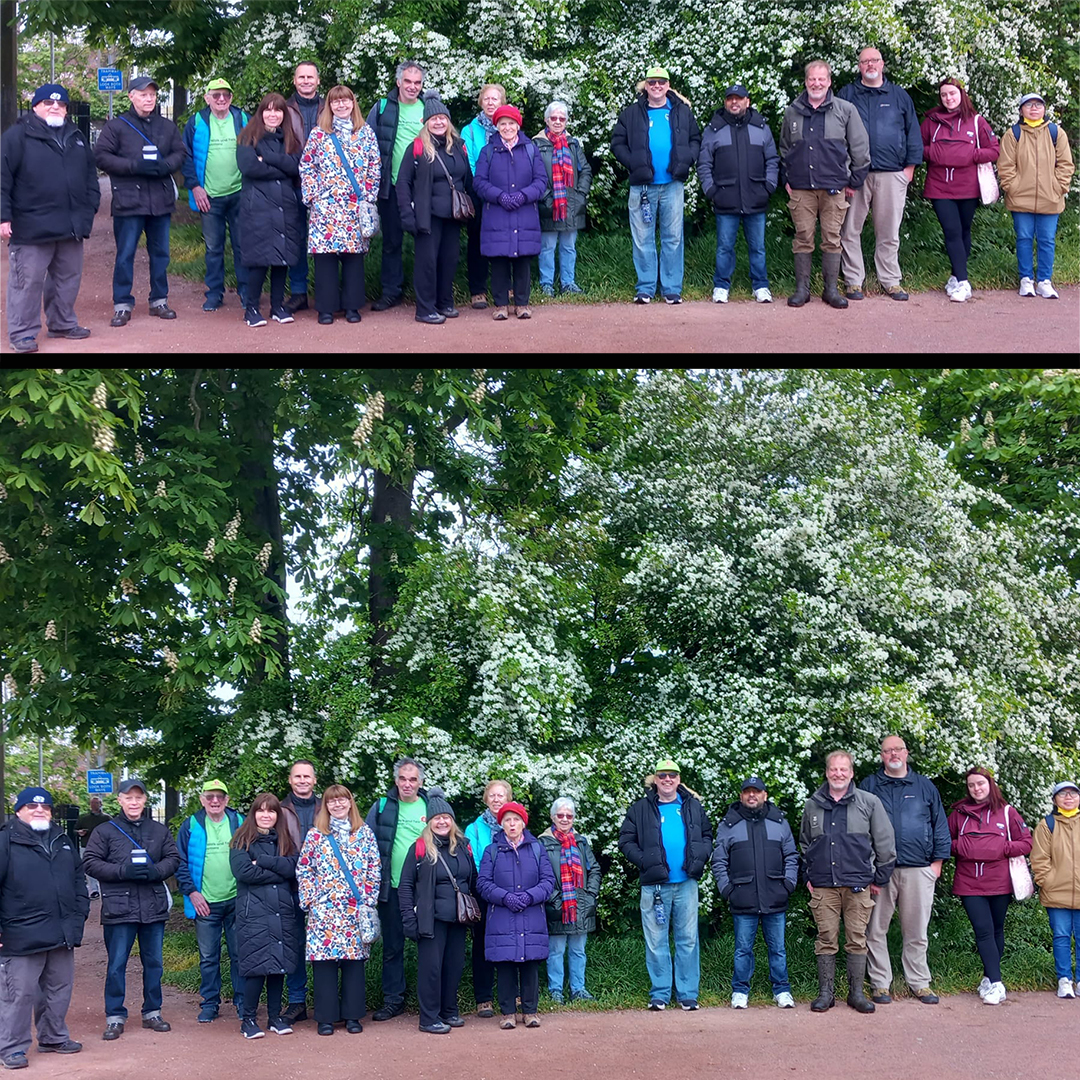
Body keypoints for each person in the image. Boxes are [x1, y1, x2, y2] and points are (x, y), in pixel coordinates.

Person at [0, 83, 99, 354]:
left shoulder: (76, 135)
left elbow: (91, 173)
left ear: (66, 110)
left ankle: (62, 323)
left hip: (71, 225)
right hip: (31, 225)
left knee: (67, 278)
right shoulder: (17, 136)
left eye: (61, 104)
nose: (55, 107)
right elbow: (2, 179)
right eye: (48, 103)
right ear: (35, 106)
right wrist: (3, 216)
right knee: (27, 282)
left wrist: (91, 205)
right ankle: (22, 334)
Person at [82, 777, 180, 1041]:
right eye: (129, 797)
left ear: (145, 800)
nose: (134, 802)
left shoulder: (159, 830)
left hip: (153, 906)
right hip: (119, 908)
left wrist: (155, 871)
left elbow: (173, 859)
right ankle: (115, 1015)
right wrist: (122, 871)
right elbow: (90, 862)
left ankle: (152, 1012)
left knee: (154, 963)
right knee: (116, 964)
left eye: (138, 797)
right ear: (120, 800)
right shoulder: (105, 831)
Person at [799, 750, 895, 1015]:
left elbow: (885, 841)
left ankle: (856, 994)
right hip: (823, 886)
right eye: (833, 769)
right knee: (826, 939)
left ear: (852, 773)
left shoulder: (869, 802)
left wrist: (880, 877)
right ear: (827, 772)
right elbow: (806, 844)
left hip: (858, 884)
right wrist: (809, 875)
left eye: (843, 769)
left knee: (857, 939)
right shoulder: (813, 804)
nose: (838, 774)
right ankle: (825, 995)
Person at [0, 787, 88, 1069]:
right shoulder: (5, 841)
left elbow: (78, 880)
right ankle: (11, 1047)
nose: (40, 811)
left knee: (59, 989)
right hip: (20, 934)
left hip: (61, 932)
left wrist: (79, 914)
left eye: (45, 807)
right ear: (19, 811)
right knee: (19, 994)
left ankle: (53, 1037)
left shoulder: (62, 841)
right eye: (31, 806)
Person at [859, 736, 951, 1005]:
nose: (893, 754)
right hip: (880, 872)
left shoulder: (924, 786)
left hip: (919, 869)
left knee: (916, 931)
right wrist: (868, 870)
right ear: (882, 756)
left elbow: (939, 826)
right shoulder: (870, 785)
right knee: (875, 930)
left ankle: (919, 982)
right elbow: (860, 829)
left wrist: (937, 864)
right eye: (887, 751)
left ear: (906, 753)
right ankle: (880, 984)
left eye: (897, 749)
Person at [617, 758, 712, 1011]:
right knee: (656, 941)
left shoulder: (692, 806)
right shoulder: (640, 809)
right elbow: (625, 840)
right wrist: (644, 861)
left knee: (688, 940)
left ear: (679, 779)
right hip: (654, 886)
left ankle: (687, 993)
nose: (667, 780)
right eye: (662, 776)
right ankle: (659, 993)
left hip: (686, 884)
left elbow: (706, 835)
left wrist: (700, 857)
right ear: (655, 780)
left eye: (672, 775)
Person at [94, 75, 184, 328]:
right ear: (131, 96)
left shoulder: (167, 126)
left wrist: (166, 165)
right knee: (125, 254)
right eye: (143, 94)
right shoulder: (116, 127)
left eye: (152, 95)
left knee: (161, 254)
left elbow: (180, 152)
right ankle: (122, 304)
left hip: (160, 199)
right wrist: (134, 166)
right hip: (129, 200)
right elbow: (101, 156)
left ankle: (159, 300)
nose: (149, 99)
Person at [780, 60, 870, 309]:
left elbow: (860, 147)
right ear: (806, 81)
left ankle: (830, 290)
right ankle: (802, 290)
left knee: (832, 238)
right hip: (801, 188)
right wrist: (787, 178)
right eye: (812, 79)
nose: (816, 83)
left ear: (829, 81)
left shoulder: (845, 109)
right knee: (802, 237)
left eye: (821, 79)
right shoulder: (793, 111)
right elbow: (785, 148)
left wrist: (855, 180)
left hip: (834, 187)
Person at [836, 47, 923, 301]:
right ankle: (853, 281)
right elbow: (836, 135)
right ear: (859, 66)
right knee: (850, 230)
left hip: (892, 174)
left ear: (882, 64)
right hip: (856, 176)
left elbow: (912, 133)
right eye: (864, 61)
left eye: (874, 60)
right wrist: (844, 172)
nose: (870, 65)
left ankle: (890, 280)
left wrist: (909, 169)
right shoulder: (848, 94)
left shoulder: (898, 95)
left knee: (888, 232)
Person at [610, 65, 701, 304]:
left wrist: (687, 160)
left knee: (673, 237)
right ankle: (646, 287)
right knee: (642, 237)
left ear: (668, 85)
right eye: (652, 82)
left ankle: (671, 288)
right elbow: (617, 142)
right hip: (642, 186)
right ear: (646, 86)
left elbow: (695, 139)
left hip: (672, 183)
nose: (657, 86)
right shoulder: (631, 113)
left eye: (661, 82)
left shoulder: (682, 111)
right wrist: (633, 163)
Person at [296, 785, 380, 1035]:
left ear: (350, 803)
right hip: (325, 911)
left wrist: (367, 899)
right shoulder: (316, 835)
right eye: (332, 801)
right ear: (326, 806)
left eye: (342, 800)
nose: (338, 805)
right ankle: (325, 1017)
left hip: (354, 909)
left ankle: (353, 1016)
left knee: (354, 965)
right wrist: (312, 899)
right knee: (325, 965)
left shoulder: (364, 833)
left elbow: (374, 868)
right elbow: (304, 869)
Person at [711, 777, 798, 1009]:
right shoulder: (729, 824)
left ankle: (782, 990)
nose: (752, 796)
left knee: (778, 949)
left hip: (775, 896)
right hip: (743, 898)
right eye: (747, 792)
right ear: (741, 796)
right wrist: (727, 890)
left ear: (765, 795)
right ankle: (740, 990)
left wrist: (788, 884)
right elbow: (719, 860)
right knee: (742, 950)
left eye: (756, 792)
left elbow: (791, 855)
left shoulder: (779, 822)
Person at [948, 767, 1032, 1005]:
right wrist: (965, 848)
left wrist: (1001, 849)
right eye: (972, 785)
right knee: (983, 930)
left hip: (1000, 882)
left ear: (990, 784)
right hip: (969, 883)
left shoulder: (1007, 812)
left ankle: (988, 977)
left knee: (996, 930)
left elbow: (1026, 843)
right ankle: (997, 984)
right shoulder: (958, 814)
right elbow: (944, 841)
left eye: (981, 784)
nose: (976, 789)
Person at [298, 85, 380, 326]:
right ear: (329, 106)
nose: (341, 105)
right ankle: (326, 308)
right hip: (326, 207)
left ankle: (352, 306)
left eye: (345, 101)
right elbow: (307, 166)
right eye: (336, 102)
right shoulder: (318, 134)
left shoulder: (366, 133)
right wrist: (313, 196)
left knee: (354, 258)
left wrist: (368, 196)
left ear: (353, 104)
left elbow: (374, 167)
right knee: (326, 259)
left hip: (354, 206)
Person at [398, 787, 478, 1033]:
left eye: (446, 817)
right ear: (429, 822)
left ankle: (449, 1011)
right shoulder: (420, 848)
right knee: (431, 971)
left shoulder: (464, 846)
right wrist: (409, 921)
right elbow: (405, 886)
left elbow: (472, 880)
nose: (442, 821)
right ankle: (428, 1018)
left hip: (458, 919)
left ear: (452, 820)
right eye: (437, 818)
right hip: (431, 920)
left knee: (453, 968)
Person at [476, 801, 556, 1028]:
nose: (512, 824)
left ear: (523, 823)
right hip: (502, 917)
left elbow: (548, 881)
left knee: (530, 965)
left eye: (516, 820)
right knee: (505, 966)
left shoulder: (537, 848)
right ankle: (508, 1013)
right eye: (507, 820)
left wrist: (530, 897)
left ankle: (530, 1012)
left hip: (531, 916)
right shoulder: (492, 851)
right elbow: (483, 883)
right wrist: (505, 897)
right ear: (501, 824)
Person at [697, 82, 778, 304]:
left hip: (756, 197)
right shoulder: (714, 129)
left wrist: (769, 186)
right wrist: (711, 190)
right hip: (725, 198)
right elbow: (704, 163)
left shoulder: (761, 127)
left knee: (758, 248)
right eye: (730, 98)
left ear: (747, 102)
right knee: (724, 247)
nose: (735, 102)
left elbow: (772, 159)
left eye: (739, 98)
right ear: (725, 102)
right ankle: (721, 286)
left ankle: (760, 285)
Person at [228, 793, 301, 1039]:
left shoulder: (285, 840)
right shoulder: (241, 840)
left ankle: (274, 1017)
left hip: (281, 911)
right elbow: (244, 872)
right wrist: (278, 871)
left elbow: (294, 867)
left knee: (278, 967)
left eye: (271, 811)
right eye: (261, 811)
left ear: (277, 815)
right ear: (254, 813)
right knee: (256, 967)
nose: (266, 815)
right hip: (254, 914)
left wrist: (265, 862)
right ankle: (248, 1019)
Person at [920, 78, 999, 303]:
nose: (948, 98)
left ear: (961, 94)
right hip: (939, 187)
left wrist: (970, 156)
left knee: (964, 230)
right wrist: (937, 154)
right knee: (952, 230)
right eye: (944, 95)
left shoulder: (976, 121)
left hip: (968, 187)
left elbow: (994, 150)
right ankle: (964, 283)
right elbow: (918, 148)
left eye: (952, 94)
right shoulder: (930, 122)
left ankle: (955, 275)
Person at [397, 96, 472, 325]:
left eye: (442, 118)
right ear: (426, 122)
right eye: (433, 118)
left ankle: (444, 302)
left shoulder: (458, 146)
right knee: (427, 263)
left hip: (453, 215)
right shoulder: (417, 147)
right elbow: (403, 183)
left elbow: (466, 178)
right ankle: (425, 309)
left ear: (448, 121)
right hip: (427, 216)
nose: (438, 122)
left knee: (449, 260)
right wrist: (407, 216)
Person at [174, 779, 244, 1023]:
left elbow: (253, 855)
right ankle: (210, 1003)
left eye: (220, 797)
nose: (215, 801)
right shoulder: (191, 825)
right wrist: (192, 892)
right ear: (202, 799)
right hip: (205, 903)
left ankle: (242, 1001)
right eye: (210, 796)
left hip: (236, 900)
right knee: (208, 958)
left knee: (239, 955)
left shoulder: (239, 822)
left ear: (227, 800)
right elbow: (179, 862)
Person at [365, 757, 428, 1020]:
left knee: (429, 946)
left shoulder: (431, 805)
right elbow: (366, 843)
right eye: (402, 778)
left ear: (420, 782)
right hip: (390, 888)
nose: (407, 784)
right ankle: (394, 1000)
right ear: (395, 780)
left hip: (425, 889)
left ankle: (430, 1000)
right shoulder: (382, 806)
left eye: (413, 779)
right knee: (393, 947)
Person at [472, 104, 548, 320]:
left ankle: (522, 304)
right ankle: (501, 305)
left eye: (511, 123)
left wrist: (523, 196)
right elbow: (479, 182)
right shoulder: (488, 151)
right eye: (502, 124)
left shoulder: (531, 149)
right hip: (497, 214)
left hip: (525, 213)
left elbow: (541, 181)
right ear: (497, 127)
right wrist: (499, 196)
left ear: (518, 125)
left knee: (523, 260)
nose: (507, 128)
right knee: (499, 261)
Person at [181, 77, 250, 313]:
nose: (222, 99)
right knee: (213, 248)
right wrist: (194, 186)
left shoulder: (242, 119)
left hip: (240, 194)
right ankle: (214, 293)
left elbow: (255, 149)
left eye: (226, 95)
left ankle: (246, 291)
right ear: (207, 97)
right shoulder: (196, 122)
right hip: (209, 197)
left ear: (231, 98)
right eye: (216, 95)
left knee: (243, 246)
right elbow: (185, 156)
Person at [236, 91, 305, 328]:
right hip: (258, 206)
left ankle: (277, 306)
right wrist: (281, 166)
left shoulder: (290, 138)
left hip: (285, 206)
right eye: (268, 109)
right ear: (261, 112)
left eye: (278, 110)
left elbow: (297, 167)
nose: (273, 114)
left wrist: (268, 159)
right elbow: (249, 168)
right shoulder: (247, 137)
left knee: (282, 258)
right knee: (259, 259)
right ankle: (252, 309)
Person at [997, 91, 1075, 299]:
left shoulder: (1056, 133)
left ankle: (1044, 281)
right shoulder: (1013, 134)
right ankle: (1026, 280)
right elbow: (1005, 166)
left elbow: (1066, 164)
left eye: (1038, 104)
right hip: (1020, 198)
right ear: (1021, 110)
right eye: (1029, 105)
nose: (1034, 108)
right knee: (1023, 238)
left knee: (1047, 240)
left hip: (1051, 197)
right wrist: (1012, 187)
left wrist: (1059, 187)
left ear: (1044, 109)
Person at [367, 60, 427, 311]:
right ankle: (392, 292)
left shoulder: (429, 107)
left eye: (417, 82)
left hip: (422, 186)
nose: (412, 87)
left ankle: (426, 292)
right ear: (398, 82)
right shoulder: (382, 107)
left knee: (426, 240)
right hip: (390, 186)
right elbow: (368, 141)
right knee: (392, 242)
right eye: (408, 81)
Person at [538, 796, 601, 1003]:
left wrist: (590, 895)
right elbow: (539, 874)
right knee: (555, 951)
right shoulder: (543, 843)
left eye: (569, 815)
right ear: (552, 817)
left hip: (580, 905)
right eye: (560, 815)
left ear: (574, 818)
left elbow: (595, 869)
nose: (565, 819)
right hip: (557, 905)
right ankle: (555, 990)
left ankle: (578, 989)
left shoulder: (581, 842)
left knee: (578, 950)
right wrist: (554, 898)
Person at [278, 760, 322, 1026]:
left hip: (323, 890)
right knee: (294, 945)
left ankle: (325, 1000)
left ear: (314, 780)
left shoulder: (325, 806)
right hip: (289, 886)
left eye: (307, 776)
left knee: (323, 946)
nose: (303, 780)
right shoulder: (280, 810)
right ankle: (297, 1001)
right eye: (298, 776)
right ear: (290, 780)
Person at [463, 779, 511, 1018]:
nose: (496, 799)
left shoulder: (514, 823)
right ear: (486, 798)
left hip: (511, 893)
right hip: (484, 892)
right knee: (482, 944)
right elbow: (474, 861)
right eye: (492, 795)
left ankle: (512, 994)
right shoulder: (474, 828)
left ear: (507, 799)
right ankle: (484, 998)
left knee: (510, 944)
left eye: (501, 795)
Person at [534, 101, 592, 297]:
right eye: (553, 118)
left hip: (571, 205)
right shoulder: (536, 144)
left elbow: (586, 171)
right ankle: (546, 285)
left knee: (569, 247)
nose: (557, 122)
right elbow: (534, 174)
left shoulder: (573, 144)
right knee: (547, 247)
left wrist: (581, 194)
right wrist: (547, 199)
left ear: (567, 121)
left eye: (562, 118)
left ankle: (568, 283)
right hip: (549, 205)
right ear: (546, 120)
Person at [1031, 780, 1080, 998]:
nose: (1068, 797)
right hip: (1055, 893)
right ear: (1054, 799)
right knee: (1060, 936)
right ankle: (1064, 980)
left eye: (1072, 793)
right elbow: (1039, 859)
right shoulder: (1047, 824)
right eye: (1063, 794)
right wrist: (1046, 881)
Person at [283, 60, 325, 313]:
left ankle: (325, 291)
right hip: (293, 183)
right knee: (296, 238)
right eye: (302, 77)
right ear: (295, 80)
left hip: (327, 186)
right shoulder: (284, 109)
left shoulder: (328, 106)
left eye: (311, 77)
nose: (306, 81)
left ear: (318, 81)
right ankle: (298, 292)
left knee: (325, 240)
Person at [461, 83, 507, 308]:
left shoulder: (508, 126)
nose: (490, 103)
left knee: (505, 240)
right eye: (487, 99)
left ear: (502, 102)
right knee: (477, 240)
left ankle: (505, 286)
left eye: (495, 99)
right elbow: (467, 162)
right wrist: (482, 188)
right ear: (481, 102)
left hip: (505, 194)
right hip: (478, 192)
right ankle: (478, 290)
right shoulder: (469, 130)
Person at [76, 796, 110, 899]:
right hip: (86, 845)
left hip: (103, 846)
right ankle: (94, 890)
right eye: (92, 803)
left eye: (96, 803)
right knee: (88, 867)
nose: (94, 805)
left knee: (103, 867)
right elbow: (75, 829)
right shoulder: (84, 818)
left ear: (100, 804)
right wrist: (79, 832)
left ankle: (103, 888)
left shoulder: (106, 818)